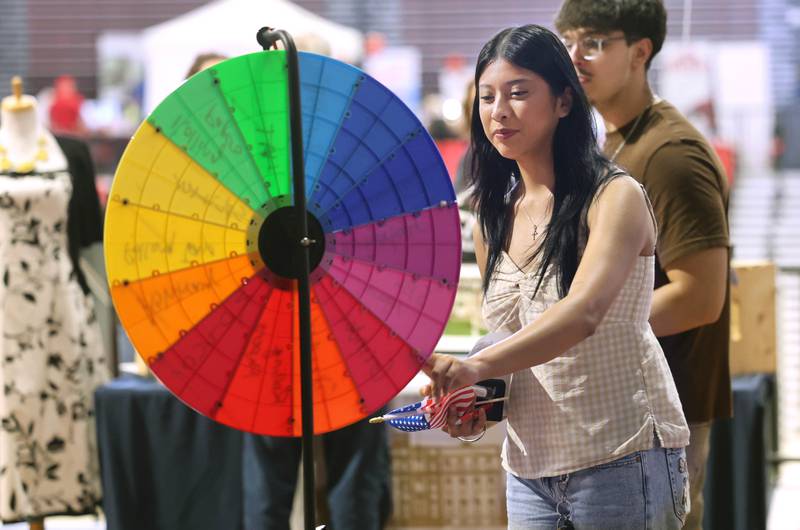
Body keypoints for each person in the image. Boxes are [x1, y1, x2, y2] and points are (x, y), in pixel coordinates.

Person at [421, 25, 690, 529]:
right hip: (529, 469)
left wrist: (474, 367)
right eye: (487, 97)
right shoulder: (492, 217)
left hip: (622, 453)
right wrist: (478, 403)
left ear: (564, 102)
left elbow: (584, 313)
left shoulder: (615, 197)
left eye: (519, 93)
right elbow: (513, 340)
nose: (499, 110)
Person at [554, 3, 731, 528]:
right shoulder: (611, 140)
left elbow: (700, 297)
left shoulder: (671, 152)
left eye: (594, 43)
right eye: (567, 41)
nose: (574, 57)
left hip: (661, 418)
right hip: (620, 410)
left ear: (640, 51)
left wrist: (574, 331)